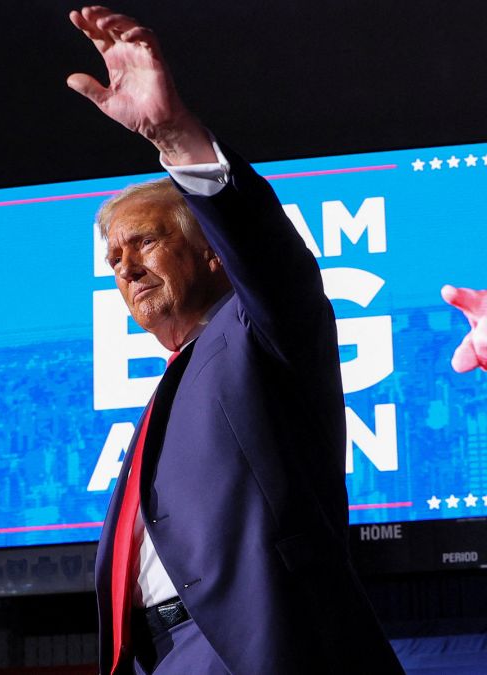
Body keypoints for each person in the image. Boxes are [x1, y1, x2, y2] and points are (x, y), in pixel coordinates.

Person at [65, 7, 402, 673]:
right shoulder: (175, 382)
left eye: (147, 242)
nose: (126, 267)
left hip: (254, 648)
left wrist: (176, 137)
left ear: (213, 256)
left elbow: (273, 261)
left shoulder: (257, 333)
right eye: (113, 259)